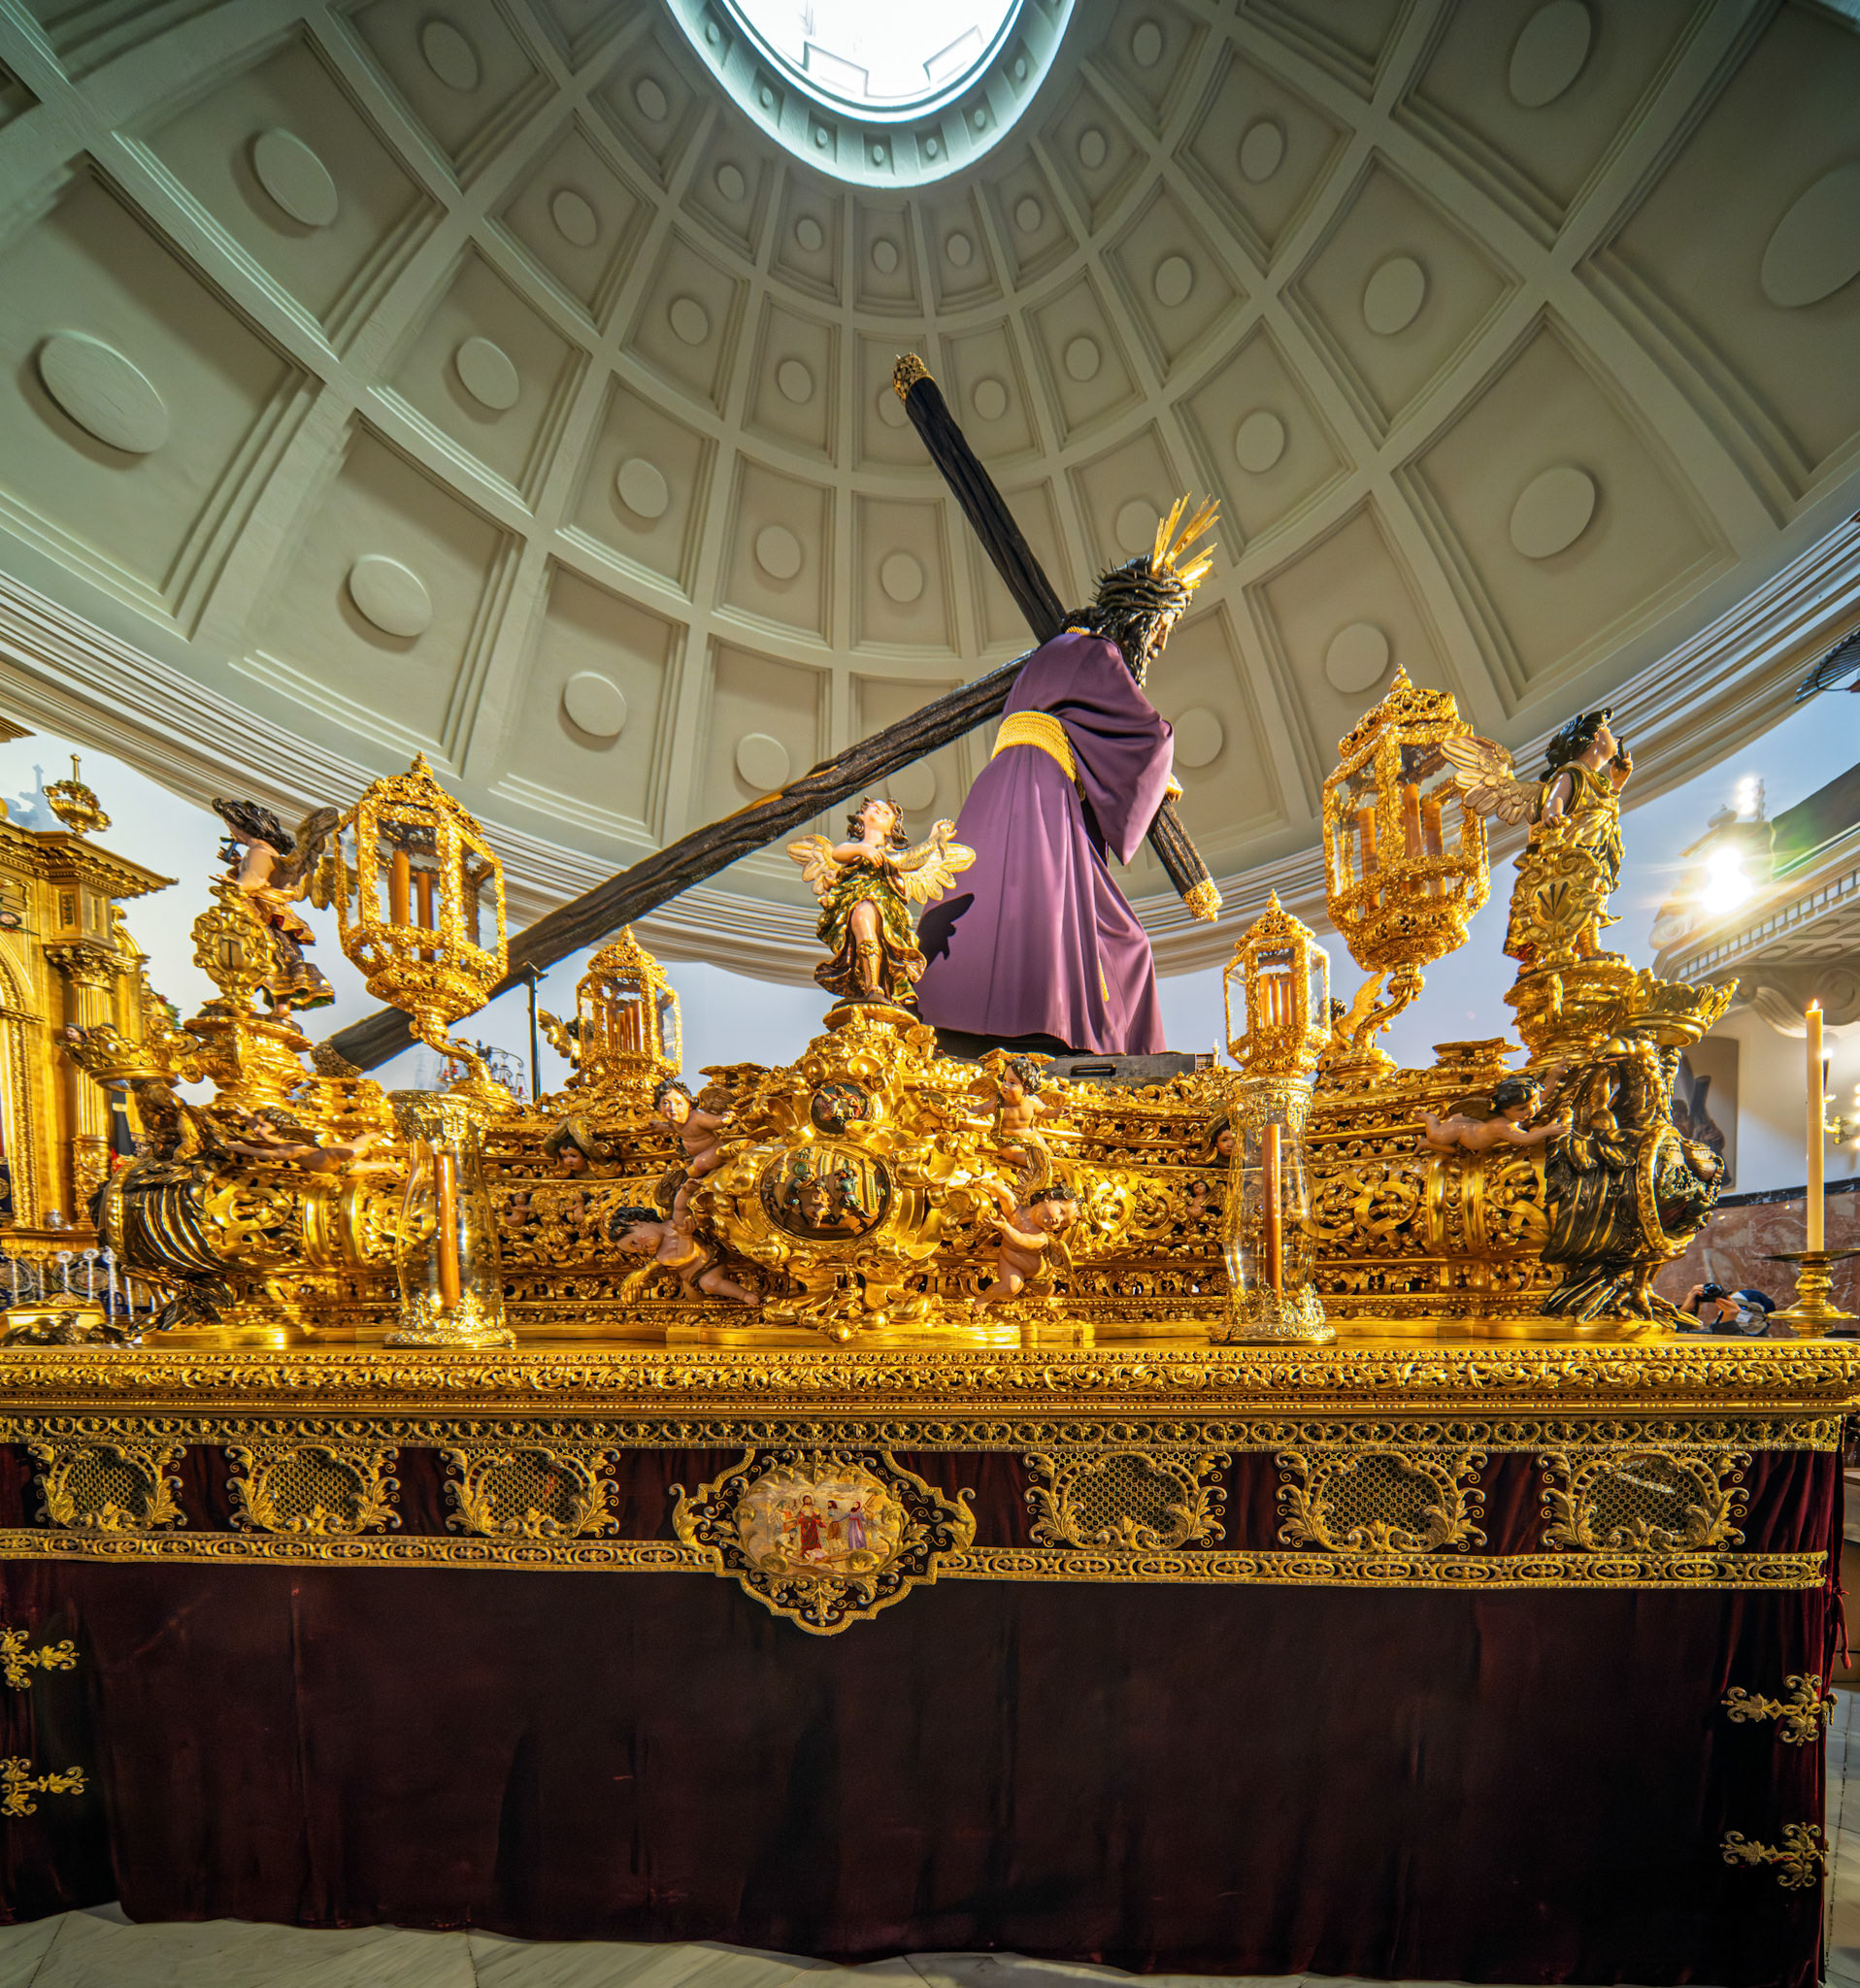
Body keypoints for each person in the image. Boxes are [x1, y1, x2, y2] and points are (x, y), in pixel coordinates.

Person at [915, 498, 1219, 1057]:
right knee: (1125, 944)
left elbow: (1087, 733)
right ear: (1142, 618)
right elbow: (1148, 736)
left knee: (1005, 907)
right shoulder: (1098, 654)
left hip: (1003, 790)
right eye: (1162, 630)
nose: (1160, 645)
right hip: (1040, 796)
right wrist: (1154, 774)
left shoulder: (1054, 653)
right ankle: (1067, 1026)